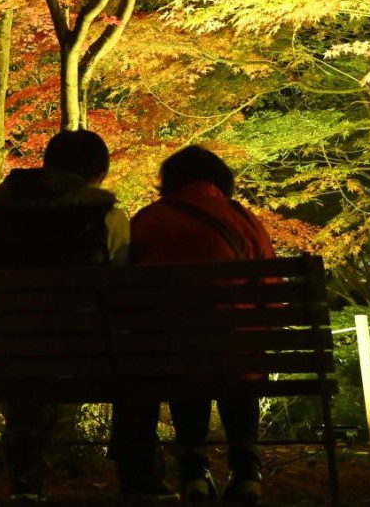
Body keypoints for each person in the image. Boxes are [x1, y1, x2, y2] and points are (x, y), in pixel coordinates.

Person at [0, 129, 131, 502]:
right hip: (87, 357)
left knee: (29, 360)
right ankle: (140, 476)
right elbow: (125, 289)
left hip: (9, 354)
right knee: (140, 362)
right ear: (99, 174)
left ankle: (26, 482)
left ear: (47, 166)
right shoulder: (107, 217)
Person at [112, 145, 275, 504]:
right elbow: (272, 296)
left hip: (172, 356)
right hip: (238, 355)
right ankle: (247, 470)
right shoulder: (244, 220)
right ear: (220, 181)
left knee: (183, 358)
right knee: (236, 354)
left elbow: (130, 295)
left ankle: (193, 470)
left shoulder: (148, 220)